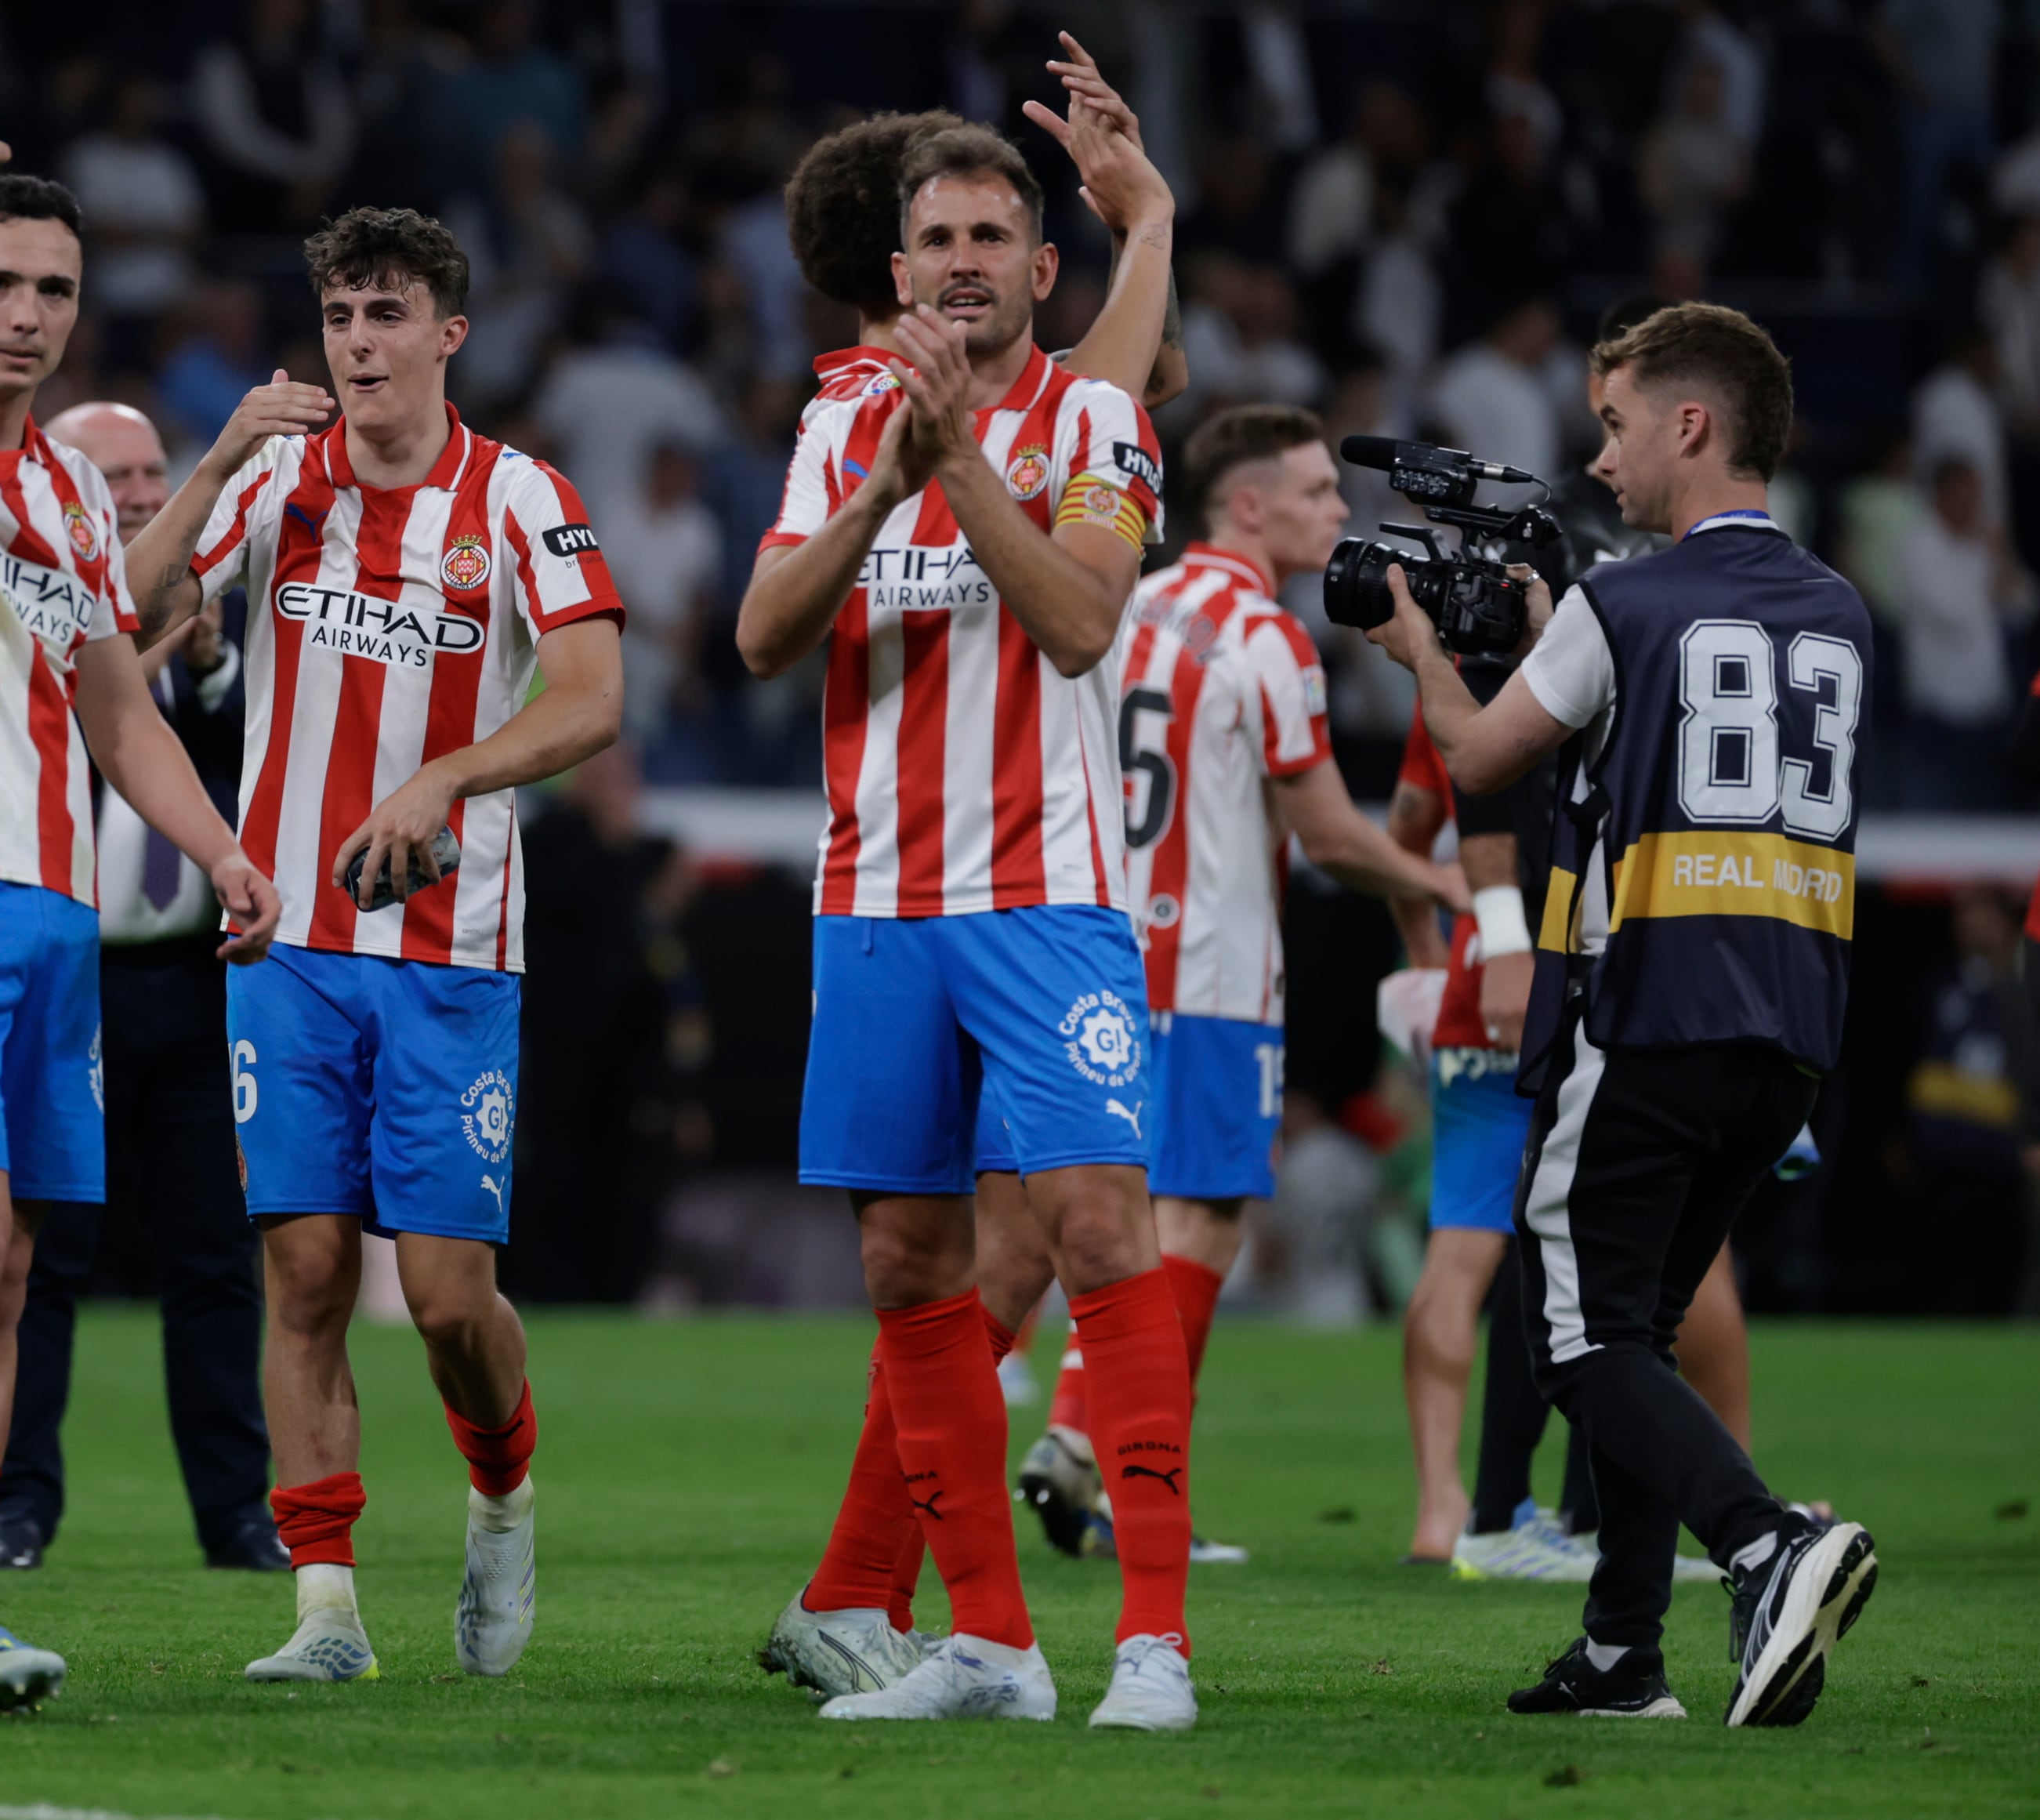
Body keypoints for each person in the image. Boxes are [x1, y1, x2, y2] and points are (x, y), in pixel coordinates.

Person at [0, 115, 281, 1719]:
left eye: (55, 288)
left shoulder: (72, 500)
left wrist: (220, 851)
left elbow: (115, 711)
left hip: (48, 914)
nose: (27, 312)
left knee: (9, 1265)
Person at [121, 205, 626, 1687]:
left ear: (448, 334)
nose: (358, 344)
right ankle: (327, 1608)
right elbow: (126, 611)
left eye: (388, 315)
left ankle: (503, 1487)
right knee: (304, 1270)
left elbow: (593, 694)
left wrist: (451, 773)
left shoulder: (522, 498)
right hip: (285, 937)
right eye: (341, 315)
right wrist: (210, 462)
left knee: (453, 1297)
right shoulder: (275, 478)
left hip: (454, 946)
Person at [733, 117, 1191, 1731]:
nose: (961, 264)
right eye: (935, 242)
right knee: (901, 1257)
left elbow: (1075, 620)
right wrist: (882, 487)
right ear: (898, 268)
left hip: (1043, 895)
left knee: (1093, 1229)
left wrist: (963, 467)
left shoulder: (1095, 420)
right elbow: (762, 633)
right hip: (867, 903)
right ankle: (989, 1643)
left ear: (1036, 269)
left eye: (991, 239)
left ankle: (1152, 1645)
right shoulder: (841, 423)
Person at [1374, 300, 1879, 1726]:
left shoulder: (1625, 601)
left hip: (1650, 1005)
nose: (1601, 458)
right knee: (1642, 1323)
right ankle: (1621, 1650)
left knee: (1580, 1337)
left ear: (1692, 424)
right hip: (1791, 1022)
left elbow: (1478, 757)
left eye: (1615, 423)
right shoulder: (1838, 605)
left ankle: (1769, 1543)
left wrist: (1422, 646)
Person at [1023, 404, 1466, 1564]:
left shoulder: (1118, 605)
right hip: (1216, 971)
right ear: (1249, 504)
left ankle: (1079, 1439)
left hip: (1101, 955)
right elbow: (1326, 834)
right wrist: (1446, 887)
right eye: (1319, 491)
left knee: (1120, 1221)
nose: (1338, 510)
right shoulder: (1267, 635)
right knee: (1201, 1225)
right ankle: (1112, 1468)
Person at [0, 397, 285, 1576]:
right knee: (39, 1250)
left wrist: (208, 677)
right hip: (72, 972)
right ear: (65, 487)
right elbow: (62, 733)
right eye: (118, 475)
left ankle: (234, 1514)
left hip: (196, 977)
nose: (146, 493)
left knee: (216, 1252)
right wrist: (156, 651)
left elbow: (261, 777)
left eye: (157, 471)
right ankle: (17, 1505)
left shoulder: (217, 632)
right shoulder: (23, 611)